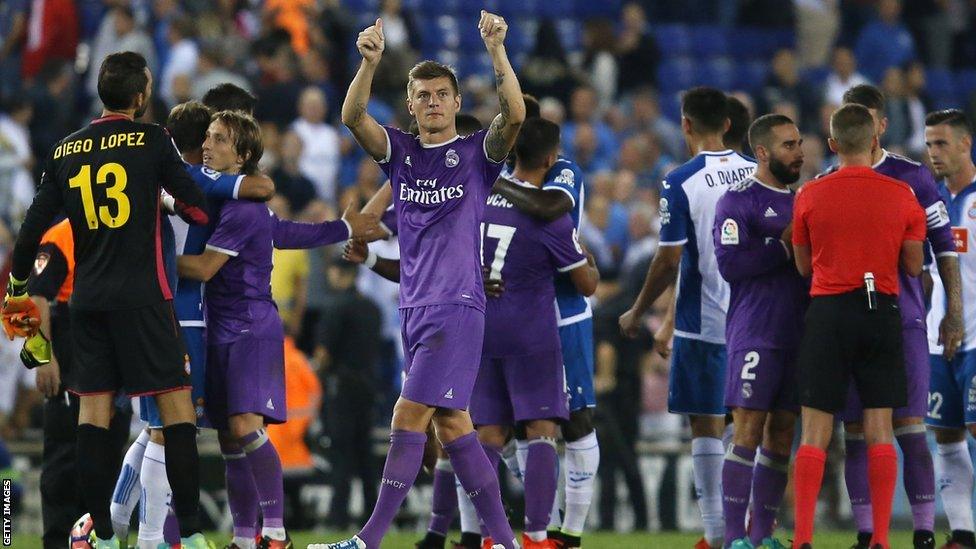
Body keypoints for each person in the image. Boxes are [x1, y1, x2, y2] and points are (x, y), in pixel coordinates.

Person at [316, 10, 526, 549]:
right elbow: (352, 115)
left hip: (456, 304)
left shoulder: (477, 156)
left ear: (457, 102)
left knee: (408, 413)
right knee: (453, 426)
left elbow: (516, 115)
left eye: (441, 94)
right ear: (409, 104)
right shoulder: (403, 155)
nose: (432, 102)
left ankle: (368, 539)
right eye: (422, 95)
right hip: (413, 306)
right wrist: (369, 63)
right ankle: (504, 542)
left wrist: (497, 51)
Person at [0, 51, 212, 549]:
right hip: (144, 299)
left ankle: (99, 534)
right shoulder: (153, 139)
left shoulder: (65, 150)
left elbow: (29, 235)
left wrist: (15, 295)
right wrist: (166, 201)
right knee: (176, 409)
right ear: (140, 97)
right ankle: (194, 534)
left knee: (91, 417)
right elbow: (196, 209)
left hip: (88, 304)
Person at [176, 110, 377, 549]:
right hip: (221, 327)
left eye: (219, 139)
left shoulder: (242, 209)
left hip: (249, 328)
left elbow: (206, 267)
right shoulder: (232, 200)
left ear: (242, 154)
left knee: (246, 426)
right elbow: (286, 233)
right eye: (207, 136)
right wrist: (342, 227)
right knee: (231, 437)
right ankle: (245, 538)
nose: (207, 144)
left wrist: (141, 260)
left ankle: (276, 532)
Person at [107, 99, 276, 549]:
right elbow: (261, 187)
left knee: (151, 426)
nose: (210, 146)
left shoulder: (147, 174)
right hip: (182, 316)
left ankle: (111, 525)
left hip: (139, 311)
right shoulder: (200, 181)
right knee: (171, 428)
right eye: (210, 137)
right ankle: (149, 539)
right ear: (198, 142)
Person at [618, 87, 756, 549]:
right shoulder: (760, 174)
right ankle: (749, 529)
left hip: (705, 323)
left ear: (686, 125)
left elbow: (671, 258)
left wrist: (639, 310)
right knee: (749, 423)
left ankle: (717, 534)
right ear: (730, 124)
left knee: (705, 424)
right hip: (756, 319)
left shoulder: (681, 180)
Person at [829, 85, 962, 549]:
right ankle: (867, 533)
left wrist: (953, 314)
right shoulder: (829, 179)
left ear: (881, 125)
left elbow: (944, 249)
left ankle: (923, 530)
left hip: (903, 320)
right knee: (855, 435)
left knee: (910, 430)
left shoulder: (913, 177)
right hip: (849, 326)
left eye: (866, 119)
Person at [790, 103, 927, 549]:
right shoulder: (902, 195)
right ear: (874, 142)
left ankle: (803, 540)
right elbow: (912, 265)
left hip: (828, 312)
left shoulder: (810, 194)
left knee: (815, 433)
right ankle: (882, 541)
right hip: (880, 309)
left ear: (832, 145)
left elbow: (802, 264)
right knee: (880, 430)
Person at [472, 118, 600, 549]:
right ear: (550, 158)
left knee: (488, 434)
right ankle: (537, 536)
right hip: (532, 330)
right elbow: (587, 284)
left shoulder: (481, 198)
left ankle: (491, 536)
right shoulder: (550, 216)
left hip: (481, 329)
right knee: (542, 427)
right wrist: (591, 263)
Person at [713, 114, 807, 549]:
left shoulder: (806, 200)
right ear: (764, 152)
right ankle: (735, 538)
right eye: (789, 145)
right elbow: (732, 265)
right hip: (755, 331)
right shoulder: (738, 201)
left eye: (800, 143)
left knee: (783, 432)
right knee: (747, 429)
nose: (799, 152)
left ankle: (763, 534)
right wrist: (785, 246)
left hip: (799, 333)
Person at [26, 219, 132, 549]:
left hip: (112, 337)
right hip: (71, 338)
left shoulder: (120, 227)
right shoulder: (61, 234)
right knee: (64, 454)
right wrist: (44, 357)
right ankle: (58, 541)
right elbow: (36, 296)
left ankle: (99, 538)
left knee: (110, 451)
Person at [922, 108, 976, 549]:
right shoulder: (931, 205)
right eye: (928, 144)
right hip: (938, 343)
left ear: (965, 143)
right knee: (947, 434)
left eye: (941, 143)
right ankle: (962, 532)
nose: (933, 152)